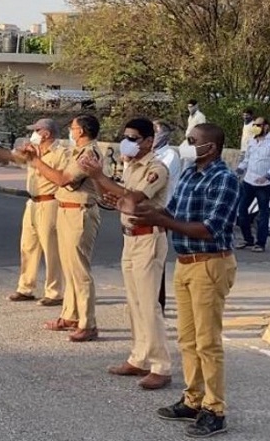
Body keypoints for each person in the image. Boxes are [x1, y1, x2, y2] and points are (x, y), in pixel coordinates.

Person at [129, 123, 239, 438]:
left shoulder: (225, 180)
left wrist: (162, 220)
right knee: (187, 340)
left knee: (208, 342)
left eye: (193, 141)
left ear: (212, 148)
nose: (187, 146)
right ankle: (192, 399)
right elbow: (172, 212)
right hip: (186, 263)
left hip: (210, 263)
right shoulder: (190, 174)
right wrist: (146, 211)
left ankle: (215, 409)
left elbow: (210, 228)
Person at [79, 118, 173, 390]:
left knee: (149, 303)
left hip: (149, 238)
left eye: (133, 138)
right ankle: (139, 356)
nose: (127, 142)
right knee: (133, 302)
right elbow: (112, 199)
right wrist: (101, 182)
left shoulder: (156, 169)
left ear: (148, 141)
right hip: (130, 239)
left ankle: (161, 365)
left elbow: (132, 199)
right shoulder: (130, 166)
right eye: (126, 137)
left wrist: (100, 177)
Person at [28, 114, 103, 342]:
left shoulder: (88, 153)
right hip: (66, 209)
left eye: (73, 127)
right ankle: (70, 315)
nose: (71, 131)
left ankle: (88, 323)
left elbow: (64, 179)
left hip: (79, 212)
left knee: (79, 271)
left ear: (81, 131)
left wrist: (38, 163)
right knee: (69, 268)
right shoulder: (77, 151)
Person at [7, 118, 67, 306]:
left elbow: (61, 179)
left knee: (51, 248)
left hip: (50, 201)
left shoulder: (60, 152)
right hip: (32, 201)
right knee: (28, 246)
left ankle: (54, 291)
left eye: (36, 130)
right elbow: (13, 159)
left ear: (46, 134)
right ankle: (25, 287)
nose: (33, 134)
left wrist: (37, 160)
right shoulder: (35, 151)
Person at [235, 117, 270, 253]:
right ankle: (247, 239)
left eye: (259, 125)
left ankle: (260, 242)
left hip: (265, 183)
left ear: (266, 126)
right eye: (254, 125)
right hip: (249, 181)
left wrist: (267, 175)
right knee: (242, 211)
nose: (256, 127)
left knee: (263, 213)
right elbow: (247, 159)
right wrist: (239, 169)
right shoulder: (252, 141)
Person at [152, 120, 182, 316]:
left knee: (157, 258)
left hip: (163, 209)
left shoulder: (170, 155)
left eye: (157, 132)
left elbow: (154, 177)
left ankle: (158, 303)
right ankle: (148, 300)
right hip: (148, 209)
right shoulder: (150, 155)